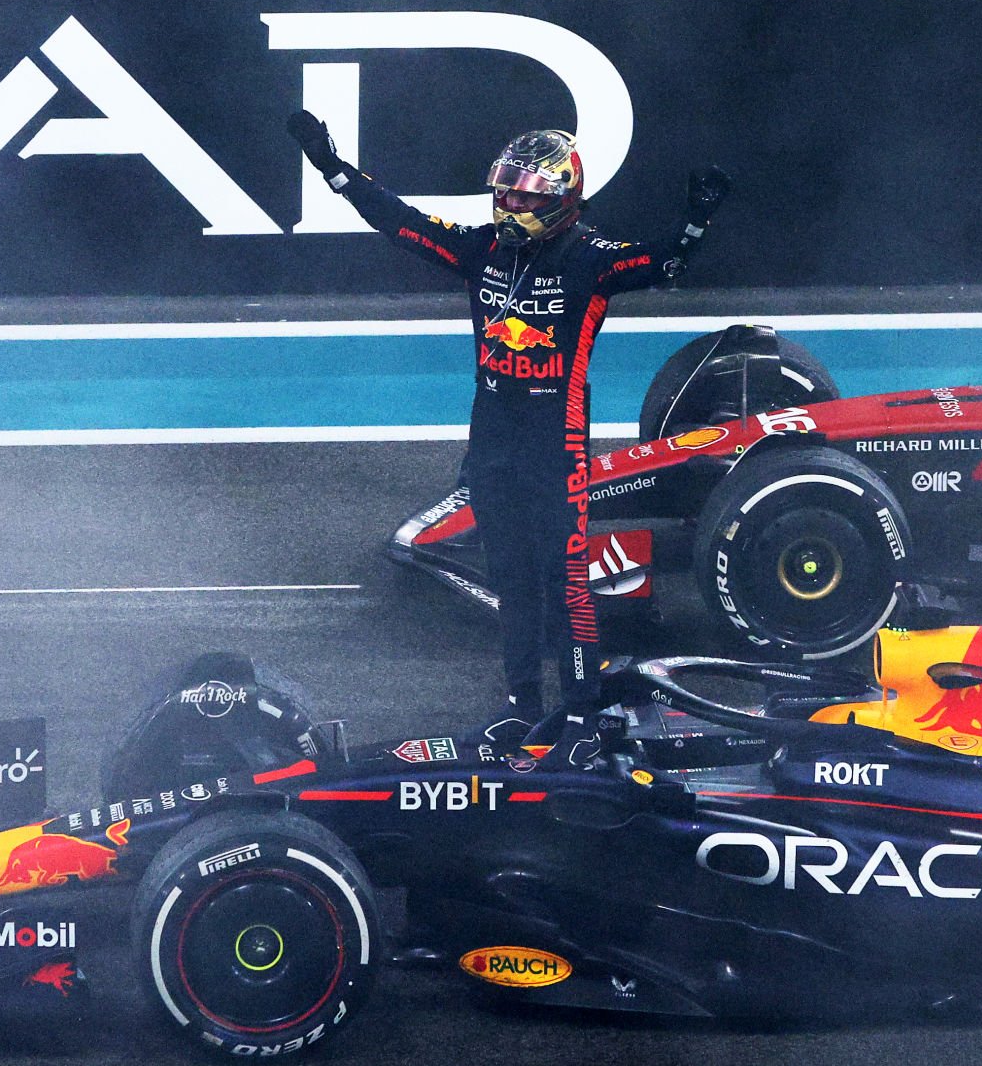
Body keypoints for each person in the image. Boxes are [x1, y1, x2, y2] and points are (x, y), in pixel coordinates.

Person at [287, 112, 730, 763]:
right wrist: (334, 169)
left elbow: (663, 264)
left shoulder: (590, 260)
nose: (509, 206)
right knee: (513, 581)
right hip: (491, 442)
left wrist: (696, 220)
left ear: (559, 202)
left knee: (568, 582)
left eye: (524, 197)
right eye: (505, 194)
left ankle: (581, 710)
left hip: (557, 446)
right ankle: (523, 704)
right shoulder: (482, 251)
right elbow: (403, 223)